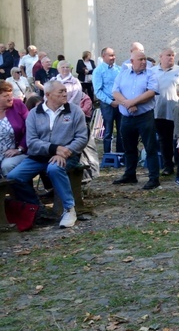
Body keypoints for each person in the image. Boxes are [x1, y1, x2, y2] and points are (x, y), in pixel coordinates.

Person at [7, 80, 88, 228]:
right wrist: (54, 149)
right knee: (14, 177)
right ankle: (37, 209)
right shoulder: (34, 114)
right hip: (38, 157)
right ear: (48, 95)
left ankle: (69, 209)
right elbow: (31, 141)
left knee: (54, 168)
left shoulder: (75, 111)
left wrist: (64, 152)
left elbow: (82, 138)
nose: (65, 94)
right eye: (61, 92)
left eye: (65, 90)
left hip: (68, 155)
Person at [112, 48, 161, 190]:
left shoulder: (150, 74)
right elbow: (115, 91)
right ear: (132, 61)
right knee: (129, 148)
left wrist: (132, 102)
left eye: (145, 59)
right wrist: (127, 104)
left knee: (150, 147)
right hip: (127, 118)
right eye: (140, 59)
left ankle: (153, 178)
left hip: (144, 117)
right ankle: (130, 174)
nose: (144, 62)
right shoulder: (123, 74)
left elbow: (151, 92)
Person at [152, 48, 179, 176]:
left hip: (175, 112)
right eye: (168, 55)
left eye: (173, 55)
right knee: (164, 140)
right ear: (160, 57)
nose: (171, 57)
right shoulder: (152, 72)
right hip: (159, 112)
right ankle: (168, 166)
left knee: (177, 139)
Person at [93, 47, 123, 154]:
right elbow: (98, 91)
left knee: (121, 130)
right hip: (107, 104)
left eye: (114, 55)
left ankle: (120, 154)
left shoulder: (119, 69)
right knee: (108, 130)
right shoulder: (98, 71)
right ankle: (107, 155)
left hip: (120, 103)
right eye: (110, 55)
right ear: (103, 56)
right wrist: (110, 102)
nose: (113, 57)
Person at [0, 80, 30, 176]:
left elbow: (31, 127)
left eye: (11, 95)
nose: (10, 98)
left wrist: (20, 149)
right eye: (5, 96)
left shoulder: (18, 105)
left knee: (7, 166)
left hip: (17, 152)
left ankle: (17, 191)